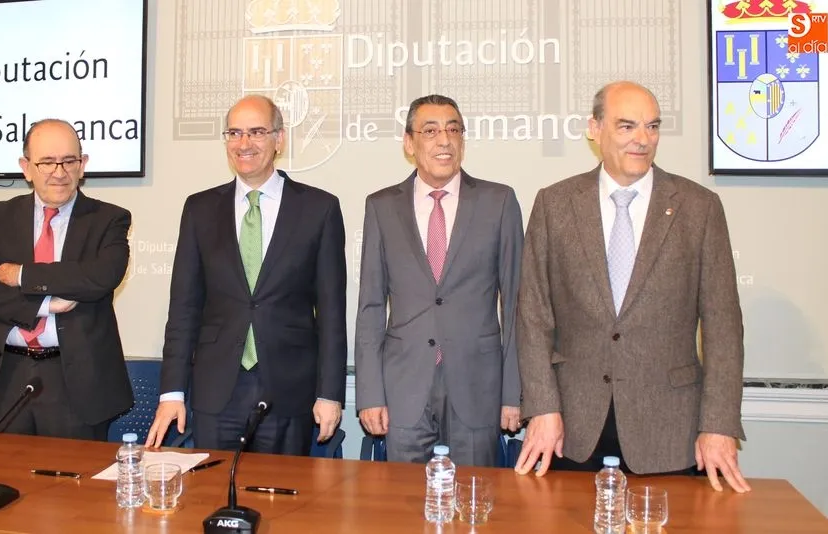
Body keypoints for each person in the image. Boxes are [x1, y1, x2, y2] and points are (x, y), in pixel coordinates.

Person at [514, 81, 751, 493]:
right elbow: (533, 316)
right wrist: (543, 407)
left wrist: (718, 424)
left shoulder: (699, 208)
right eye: (627, 126)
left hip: (669, 432)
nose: (643, 139)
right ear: (595, 128)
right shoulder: (555, 204)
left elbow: (723, 327)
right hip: (572, 428)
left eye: (652, 126)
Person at [145, 95, 347, 455]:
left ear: (279, 139)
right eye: (234, 133)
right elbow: (183, 309)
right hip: (217, 390)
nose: (244, 143)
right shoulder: (199, 209)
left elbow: (331, 314)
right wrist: (172, 392)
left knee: (281, 503)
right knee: (211, 498)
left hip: (288, 389)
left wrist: (329, 393)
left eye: (256, 132)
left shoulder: (319, 208)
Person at [355, 94, 524, 467]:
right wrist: (369, 393)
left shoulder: (499, 202)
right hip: (404, 387)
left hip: (478, 386)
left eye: (453, 129)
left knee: (474, 507)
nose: (444, 140)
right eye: (430, 130)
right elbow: (369, 306)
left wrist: (514, 392)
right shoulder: (381, 206)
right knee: (403, 512)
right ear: (409, 143)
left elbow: (515, 304)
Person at [0, 119, 133, 440]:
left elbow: (100, 277)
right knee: (0, 481)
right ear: (26, 167)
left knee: (72, 485)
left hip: (75, 381)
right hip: (3, 375)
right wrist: (44, 304)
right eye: (46, 161)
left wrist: (20, 274)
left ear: (83, 164)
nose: (58, 171)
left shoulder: (109, 219)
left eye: (69, 160)